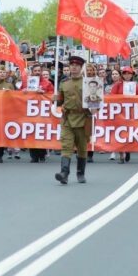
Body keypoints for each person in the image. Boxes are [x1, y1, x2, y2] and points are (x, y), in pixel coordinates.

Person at [54, 56, 93, 184]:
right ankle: (64, 173)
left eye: (77, 65)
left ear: (81, 68)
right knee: (66, 146)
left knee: (82, 147)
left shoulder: (89, 83)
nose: (74, 67)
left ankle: (80, 173)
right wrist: (55, 98)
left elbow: (96, 103)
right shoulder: (64, 83)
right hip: (67, 119)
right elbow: (60, 102)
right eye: (72, 65)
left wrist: (94, 106)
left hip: (83, 118)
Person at [110, 66, 138, 164]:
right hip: (119, 112)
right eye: (125, 73)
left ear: (132, 75)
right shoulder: (117, 85)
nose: (127, 75)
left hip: (131, 112)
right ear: (122, 75)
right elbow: (111, 97)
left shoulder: (135, 85)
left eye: (129, 73)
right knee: (119, 133)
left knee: (129, 132)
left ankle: (127, 149)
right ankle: (121, 155)